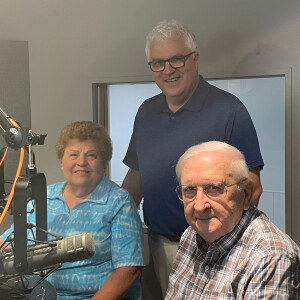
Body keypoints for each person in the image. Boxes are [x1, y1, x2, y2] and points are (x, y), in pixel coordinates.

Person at [122, 19, 264, 298]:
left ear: (195, 59)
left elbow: (252, 188)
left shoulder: (229, 111)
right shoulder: (146, 112)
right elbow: (136, 179)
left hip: (209, 251)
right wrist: (114, 221)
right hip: (155, 245)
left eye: (176, 59)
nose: (168, 70)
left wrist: (220, 247)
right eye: (158, 63)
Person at [1, 121, 144, 300]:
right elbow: (10, 243)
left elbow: (128, 270)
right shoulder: (44, 197)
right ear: (62, 160)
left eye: (91, 155)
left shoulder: (118, 202)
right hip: (41, 295)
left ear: (104, 162)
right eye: (73, 154)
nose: (81, 162)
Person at [165, 141, 300, 299]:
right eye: (189, 190)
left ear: (246, 194)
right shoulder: (191, 235)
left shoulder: (270, 258)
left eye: (214, 188)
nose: (199, 206)